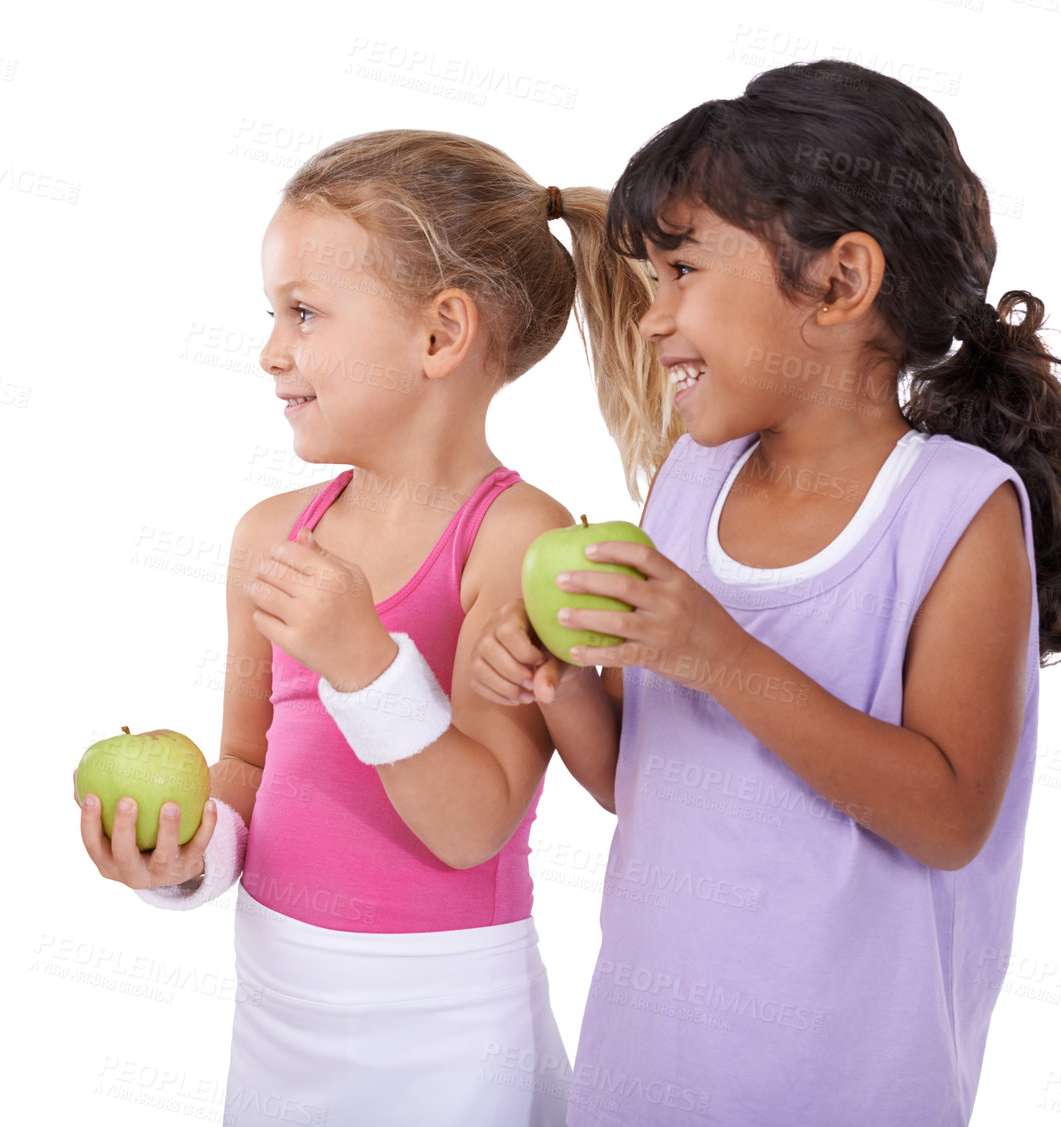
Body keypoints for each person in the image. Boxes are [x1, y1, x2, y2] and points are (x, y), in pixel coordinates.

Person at [471, 59, 1061, 1126]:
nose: (652, 317)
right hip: (645, 1071)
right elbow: (652, 781)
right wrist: (563, 684)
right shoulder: (690, 479)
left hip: (847, 1088)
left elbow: (951, 813)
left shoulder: (956, 510)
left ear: (839, 283)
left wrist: (717, 653)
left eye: (682, 271)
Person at [78, 129, 657, 1125]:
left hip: (443, 1015)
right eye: (273, 314)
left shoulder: (517, 536)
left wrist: (366, 661)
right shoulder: (272, 534)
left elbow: (474, 823)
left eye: (303, 314)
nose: (270, 350)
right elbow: (246, 767)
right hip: (278, 1004)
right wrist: (188, 859)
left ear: (440, 335)